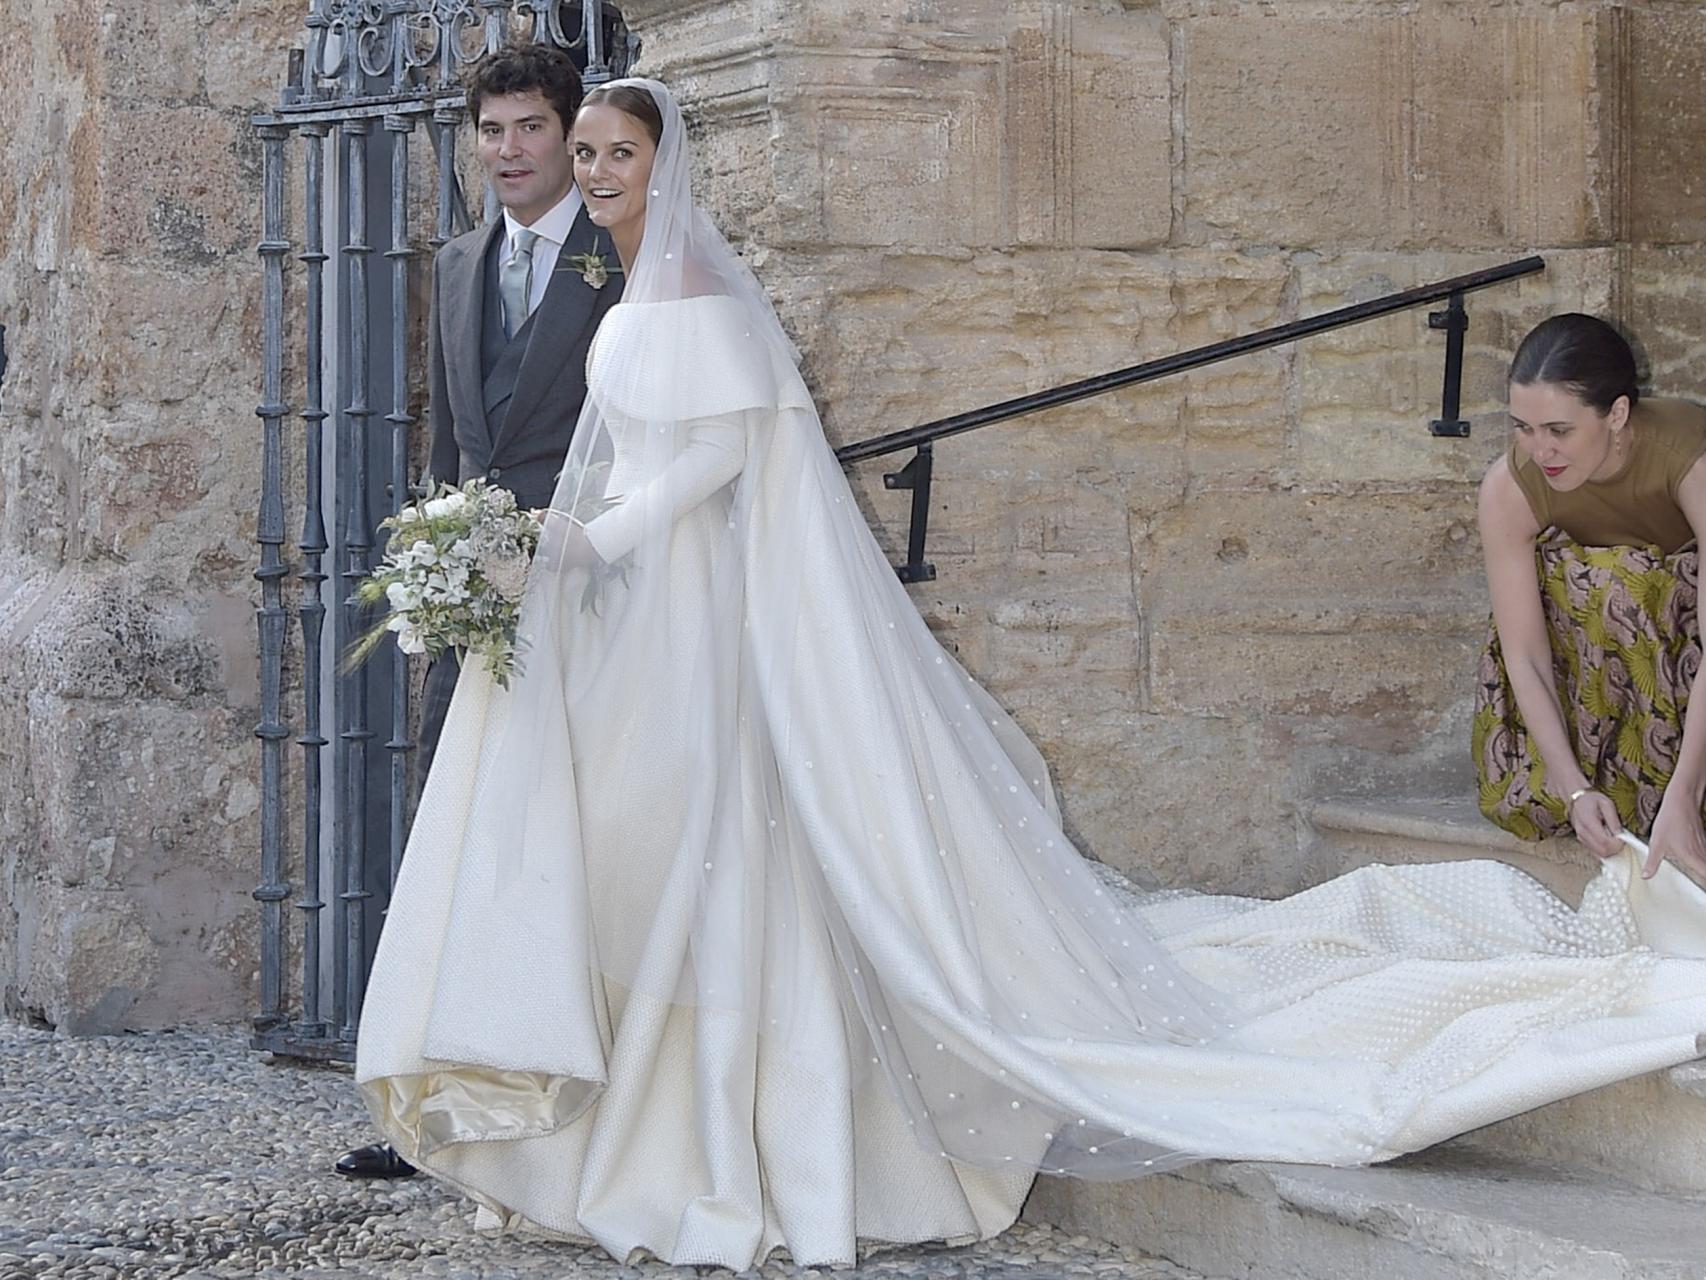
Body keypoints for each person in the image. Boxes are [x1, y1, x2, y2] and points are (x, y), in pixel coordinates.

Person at [354, 82, 1706, 1269]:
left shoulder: (702, 297)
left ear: (662, 163)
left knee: (724, 844)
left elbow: (715, 461)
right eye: (580, 154)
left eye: (610, 155)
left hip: (689, 610)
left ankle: (741, 1125)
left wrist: (582, 539)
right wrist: (555, 545)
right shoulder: (632, 291)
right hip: (646, 612)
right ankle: (640, 1110)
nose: (591, 175)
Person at [334, 41, 622, 1182]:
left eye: (529, 131)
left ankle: (570, 1104)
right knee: (454, 852)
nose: (506, 152)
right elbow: (455, 437)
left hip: (590, 600)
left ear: (569, 136)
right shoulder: (455, 261)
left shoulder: (623, 255)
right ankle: (439, 1109)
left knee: (565, 848)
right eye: (489, 131)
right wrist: (442, 560)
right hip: (474, 612)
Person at [1475, 313, 1706, 885]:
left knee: (1625, 584)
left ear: (1618, 413)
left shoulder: (1689, 457)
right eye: (1523, 428)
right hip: (1590, 674)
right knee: (1585, 580)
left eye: (1559, 430)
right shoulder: (1509, 487)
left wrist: (1686, 793)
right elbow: (1523, 653)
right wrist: (1573, 787)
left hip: (1682, 662)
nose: (1539, 449)